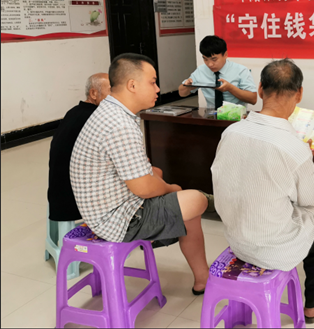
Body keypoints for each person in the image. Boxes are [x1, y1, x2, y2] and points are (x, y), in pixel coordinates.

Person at [211, 59, 314, 324]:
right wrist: (304, 163)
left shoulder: (231, 132)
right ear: (299, 94)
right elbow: (308, 202)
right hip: (273, 248)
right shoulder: (295, 147)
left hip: (237, 240)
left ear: (260, 89)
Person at [71, 53, 211, 295]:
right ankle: (203, 277)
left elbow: (141, 172)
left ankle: (202, 278)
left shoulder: (110, 111)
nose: (158, 89)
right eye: (152, 82)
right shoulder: (119, 124)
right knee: (196, 200)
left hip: (106, 208)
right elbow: (144, 188)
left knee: (163, 180)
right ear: (132, 85)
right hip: (117, 220)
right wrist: (172, 189)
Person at [48, 73, 111, 222]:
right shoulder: (96, 117)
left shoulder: (74, 111)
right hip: (76, 197)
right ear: (93, 93)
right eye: (111, 90)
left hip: (58, 193)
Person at [179, 35, 257, 109]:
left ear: (225, 54)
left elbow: (253, 99)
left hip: (235, 115)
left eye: (214, 59)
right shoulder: (201, 70)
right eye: (205, 59)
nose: (210, 64)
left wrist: (230, 88)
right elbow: (181, 93)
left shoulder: (241, 70)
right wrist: (187, 87)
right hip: (211, 114)